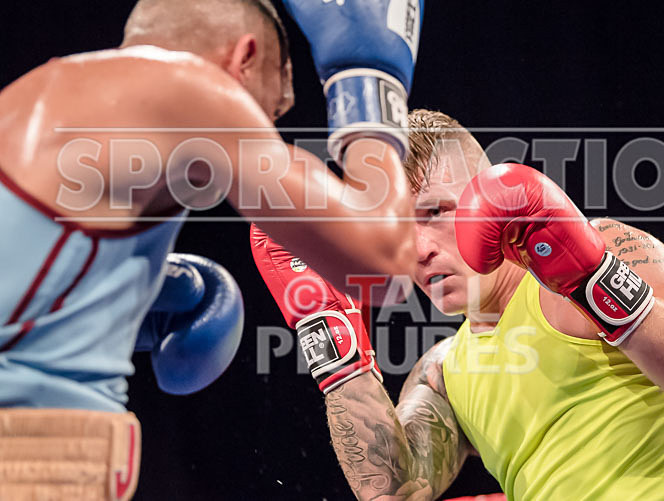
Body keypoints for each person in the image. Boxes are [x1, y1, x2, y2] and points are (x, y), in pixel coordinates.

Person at [0, 0, 423, 498]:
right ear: (242, 59)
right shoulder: (188, 88)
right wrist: (369, 82)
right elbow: (387, 262)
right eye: (273, 110)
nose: (268, 130)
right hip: (35, 457)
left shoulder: (31, 98)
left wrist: (113, 299)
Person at [251, 109, 664, 500]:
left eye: (433, 213)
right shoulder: (444, 371)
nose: (418, 248)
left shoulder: (600, 252)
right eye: (398, 229)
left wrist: (591, 277)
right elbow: (391, 490)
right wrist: (330, 338)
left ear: (483, 196)